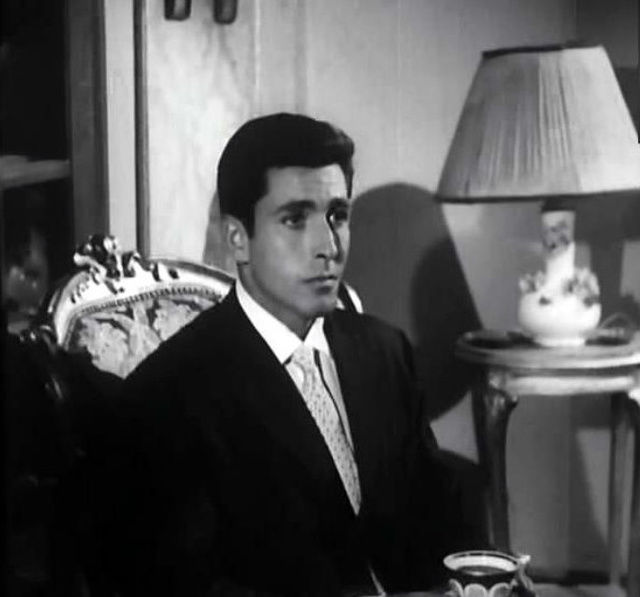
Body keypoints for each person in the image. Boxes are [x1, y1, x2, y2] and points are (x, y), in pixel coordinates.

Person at [108, 113, 481, 597]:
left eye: (338, 215)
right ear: (238, 238)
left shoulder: (384, 352)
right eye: (295, 219)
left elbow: (437, 516)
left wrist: (482, 578)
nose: (328, 247)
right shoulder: (170, 394)